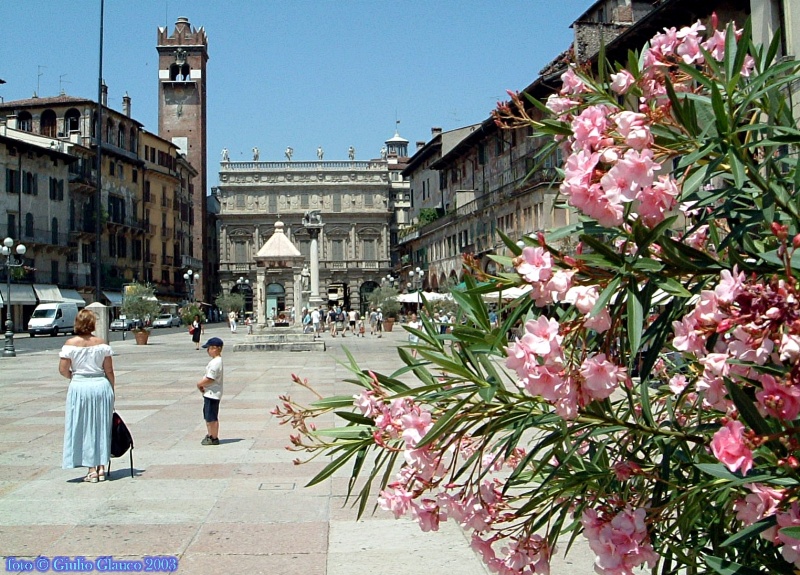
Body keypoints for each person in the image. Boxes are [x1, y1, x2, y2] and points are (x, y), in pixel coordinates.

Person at [60, 309, 115, 483]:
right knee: (102, 425)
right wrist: (111, 389)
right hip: (100, 385)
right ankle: (101, 467)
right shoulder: (101, 343)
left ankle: (91, 468)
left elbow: (62, 370)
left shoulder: (70, 344)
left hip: (80, 386)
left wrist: (75, 377)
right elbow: (109, 370)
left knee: (84, 426)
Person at [197, 337, 224, 446]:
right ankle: (210, 434)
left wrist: (200, 384)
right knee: (208, 416)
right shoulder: (216, 361)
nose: (208, 351)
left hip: (212, 394)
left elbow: (210, 378)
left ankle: (213, 437)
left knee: (211, 417)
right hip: (209, 393)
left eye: (209, 348)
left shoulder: (216, 363)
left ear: (215, 349)